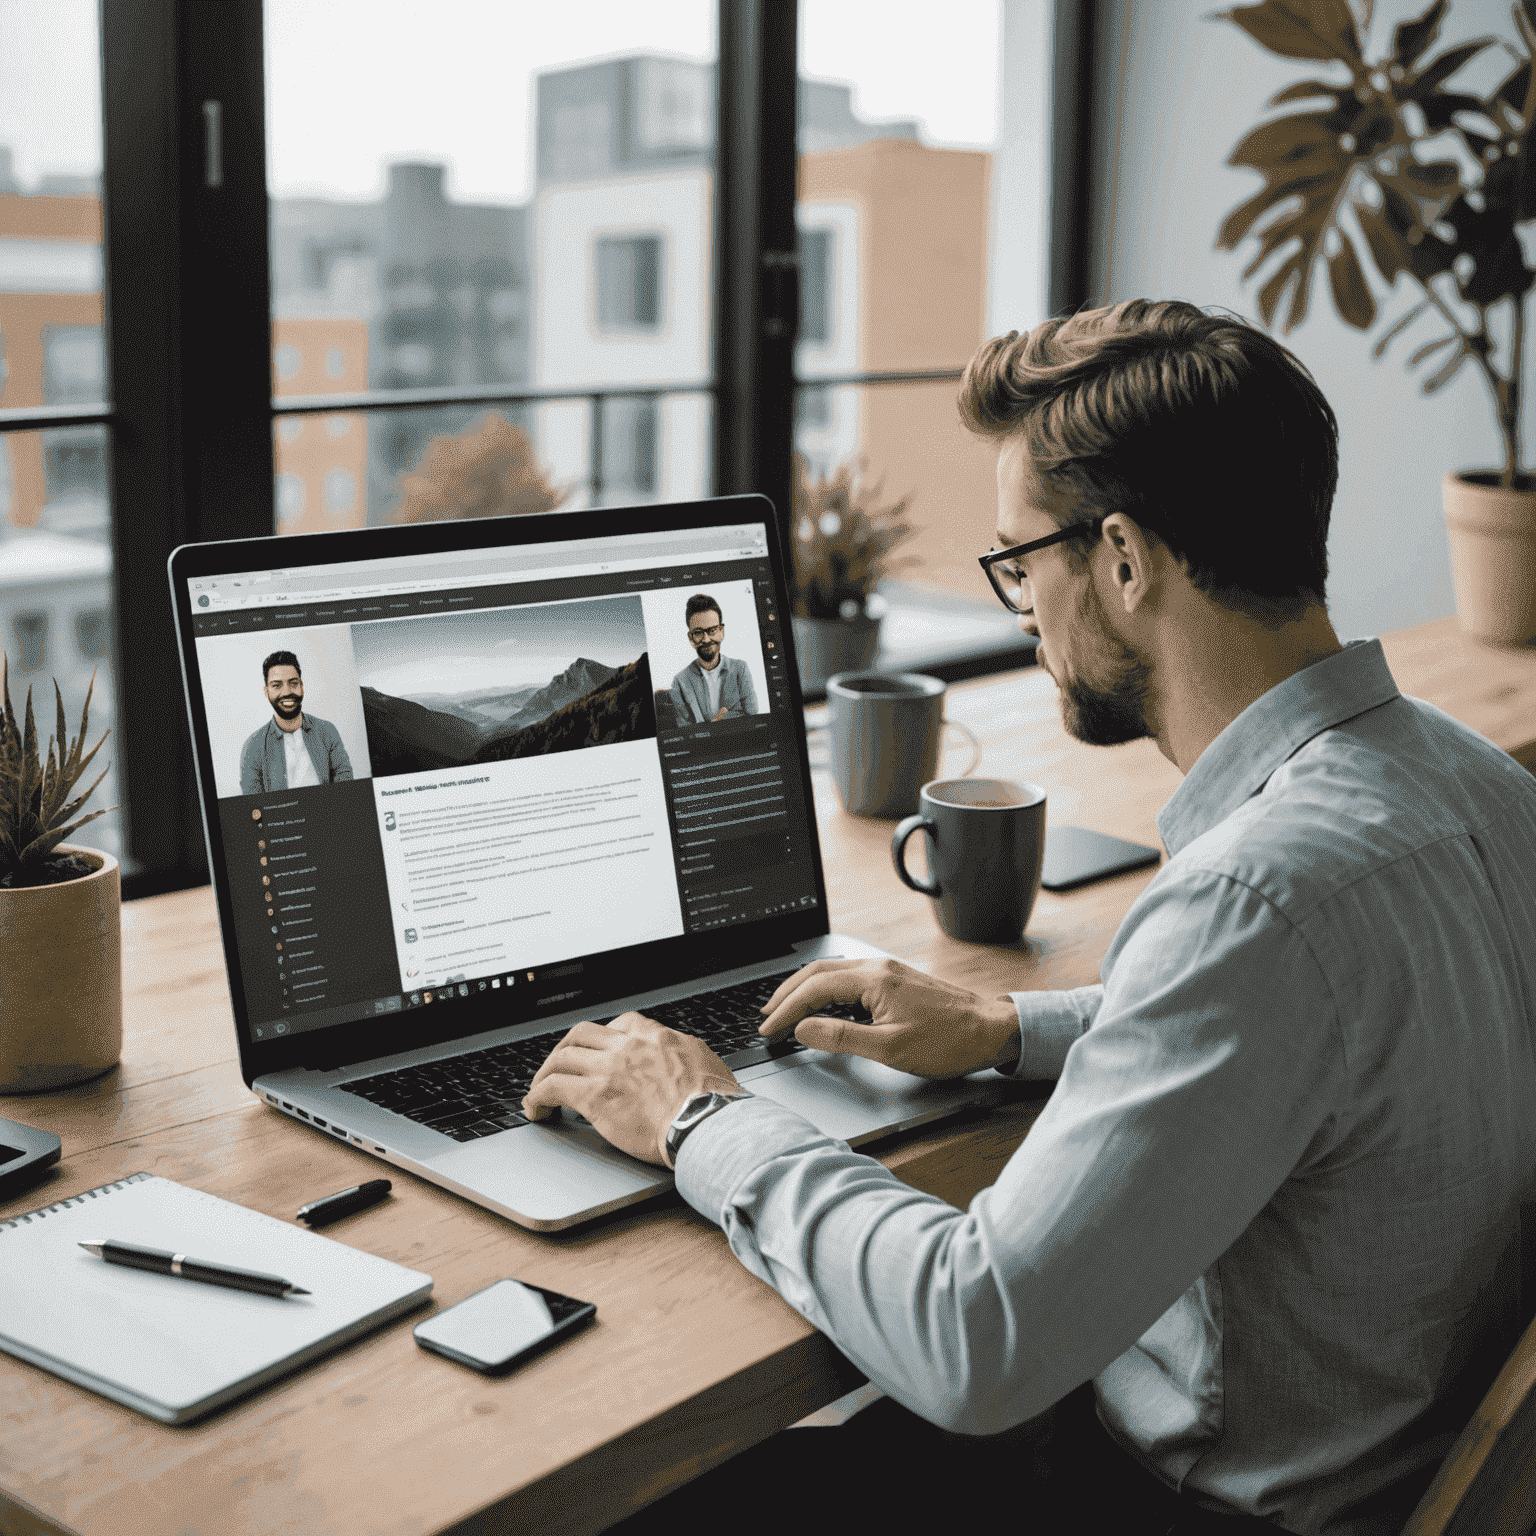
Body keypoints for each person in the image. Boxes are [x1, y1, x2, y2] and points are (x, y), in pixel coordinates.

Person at [522, 301, 1536, 1535]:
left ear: (1121, 557)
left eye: (1019, 564)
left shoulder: (1251, 902)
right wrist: (1013, 1027)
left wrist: (699, 1117)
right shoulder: (1481, 787)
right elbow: (1327, 1030)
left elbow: (975, 1339)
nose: (1020, 610)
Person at [239, 650, 353, 793]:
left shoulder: (327, 731)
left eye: (293, 683)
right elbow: (254, 804)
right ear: (266, 691)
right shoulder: (253, 747)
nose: (287, 692)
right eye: (276, 685)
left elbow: (345, 781)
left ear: (302, 687)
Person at [668, 593, 759, 724]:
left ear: (722, 631)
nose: (706, 639)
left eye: (712, 630)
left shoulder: (740, 668)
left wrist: (714, 724)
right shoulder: (680, 681)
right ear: (690, 638)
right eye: (698, 633)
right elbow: (684, 727)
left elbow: (752, 712)